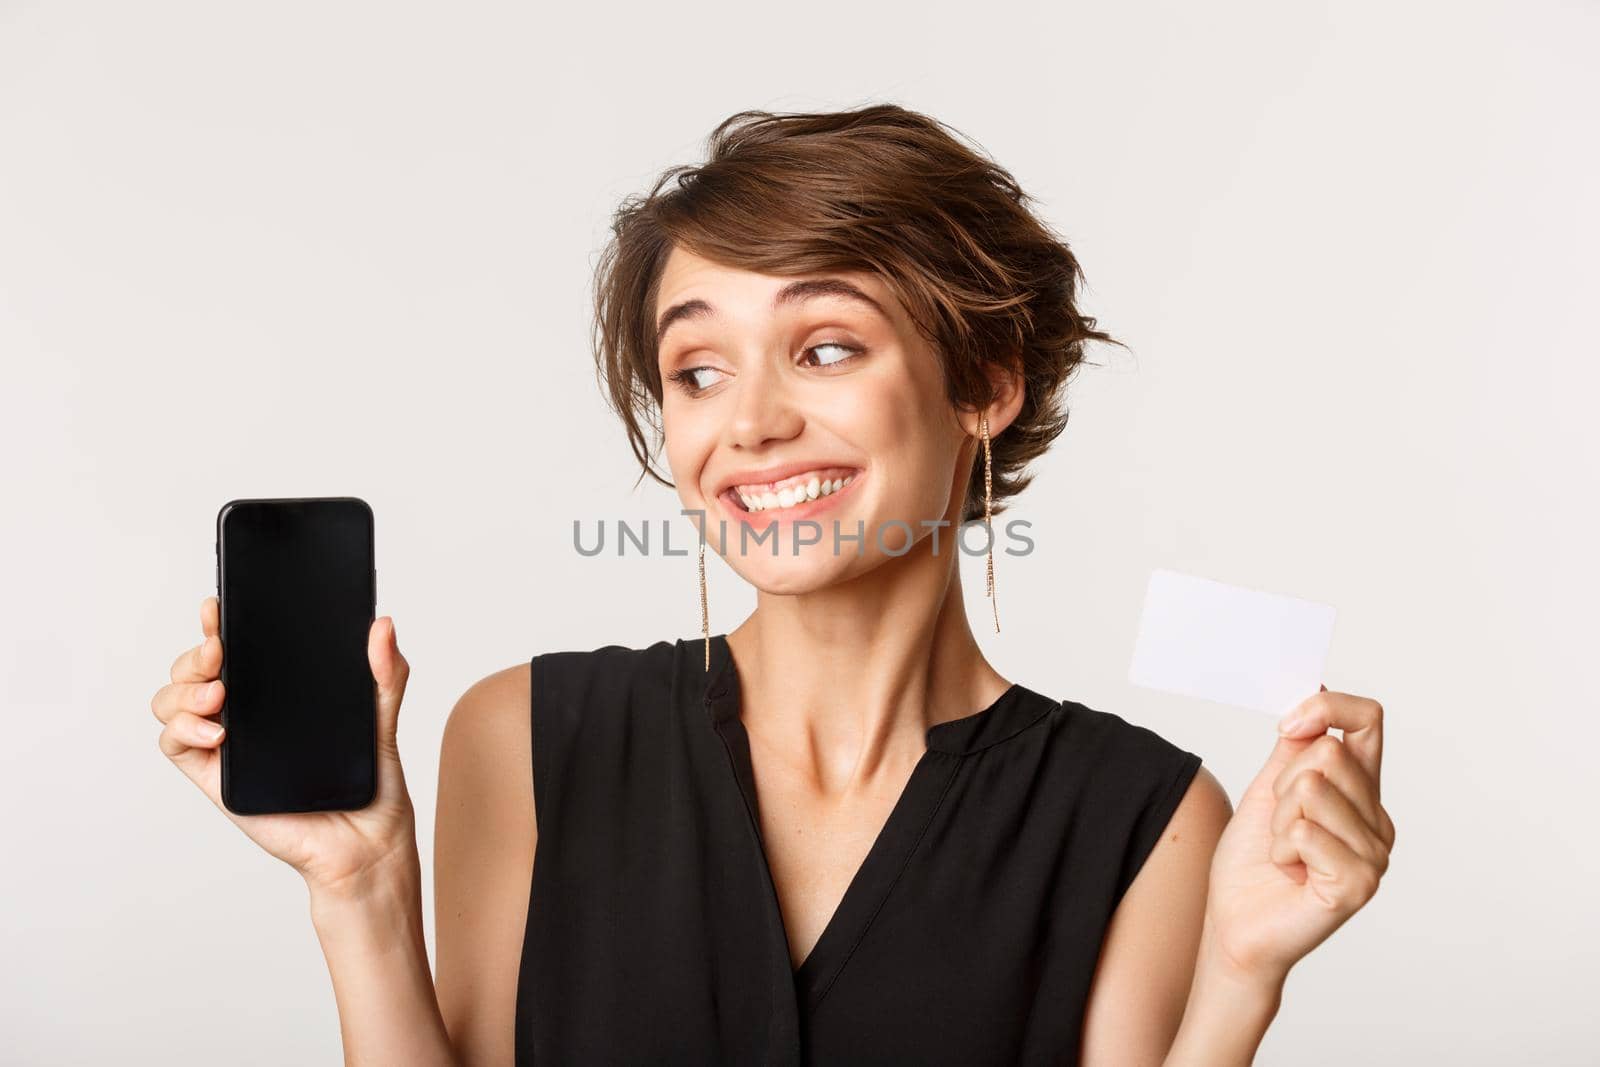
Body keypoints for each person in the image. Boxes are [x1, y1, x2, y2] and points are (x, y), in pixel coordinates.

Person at [150, 105, 1394, 1065]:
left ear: (985, 383)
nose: (748, 422)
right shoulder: (521, 738)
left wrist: (1238, 978)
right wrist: (362, 890)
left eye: (827, 346)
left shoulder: (1148, 816)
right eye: (696, 369)